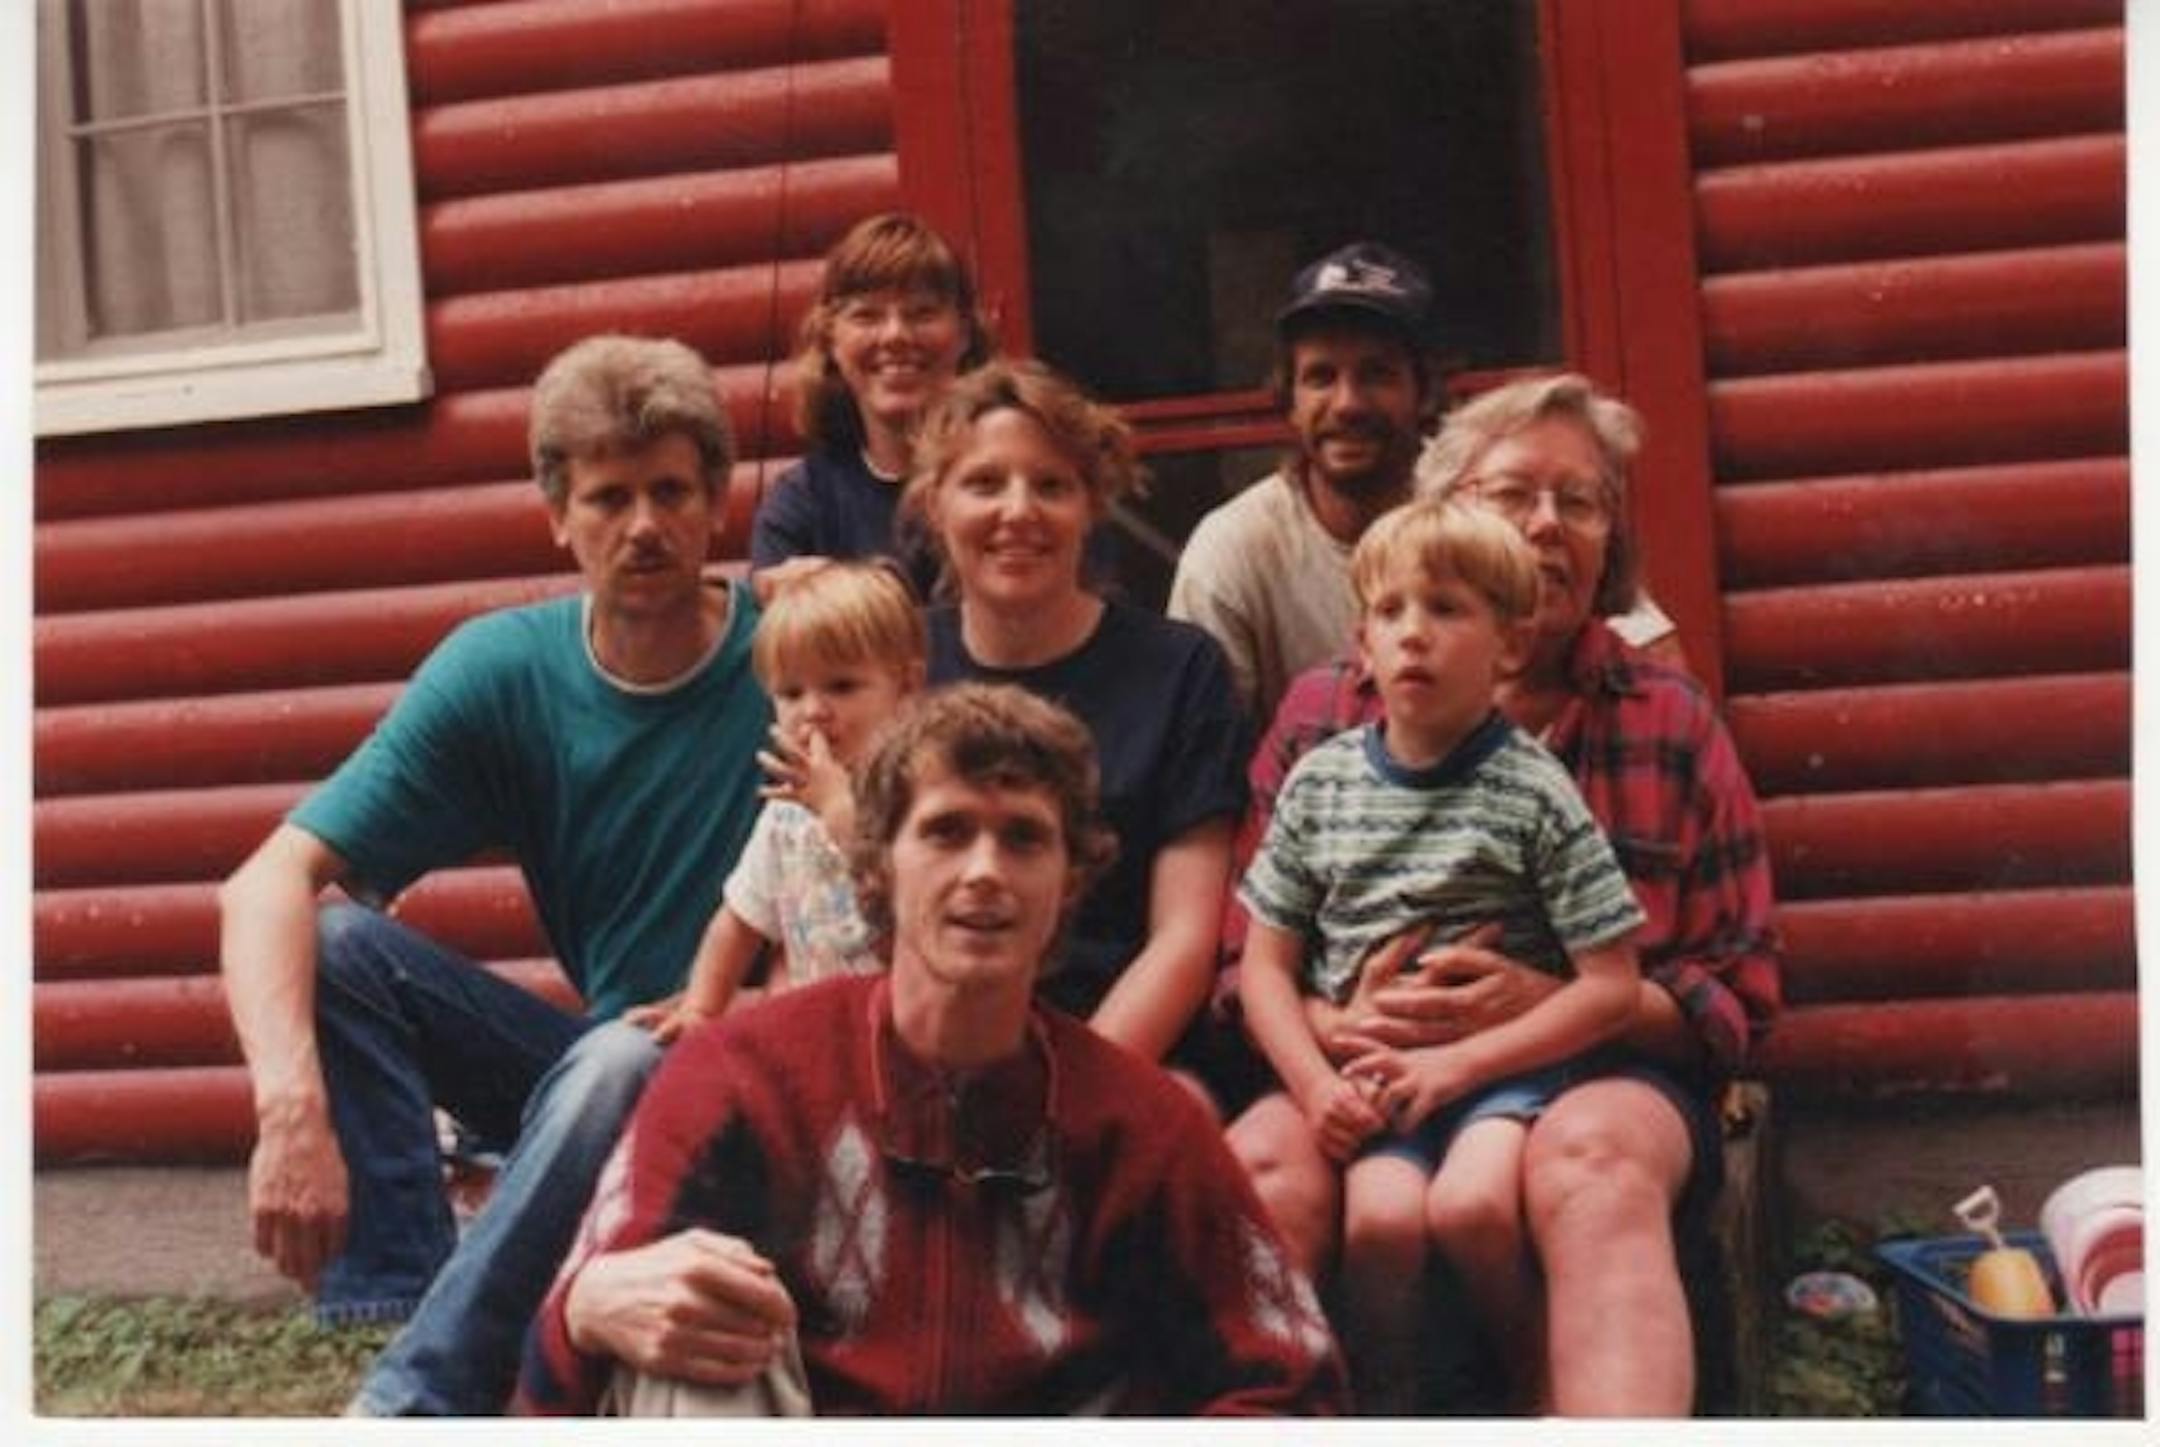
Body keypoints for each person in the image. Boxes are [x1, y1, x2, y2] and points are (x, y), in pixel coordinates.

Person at [514, 684, 1346, 1416]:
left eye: (1023, 839)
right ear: (877, 866)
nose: (985, 871)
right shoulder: (741, 1075)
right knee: (689, 1319)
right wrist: (581, 1309)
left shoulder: (1141, 1126)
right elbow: (569, 1368)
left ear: (1068, 885)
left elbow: (1293, 1379)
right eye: (947, 832)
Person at [218, 334, 772, 1415]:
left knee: (620, 1051)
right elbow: (264, 884)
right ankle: (420, 1298)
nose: (645, 525)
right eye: (610, 497)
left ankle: (416, 1405)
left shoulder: (795, 654)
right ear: (558, 516)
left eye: (671, 490)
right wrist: (291, 1114)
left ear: (719, 499)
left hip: (765, 1081)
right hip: (602, 1077)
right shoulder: (505, 670)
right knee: (341, 949)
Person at [1224, 373, 1780, 1416]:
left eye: (1580, 501)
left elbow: (1737, 994)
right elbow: (1243, 962)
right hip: (1352, 1063)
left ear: (1610, 539)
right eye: (1511, 492)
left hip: (1593, 1074)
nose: (1544, 524)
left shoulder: (1664, 718)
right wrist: (1331, 1029)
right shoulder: (1323, 720)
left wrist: (1538, 1005)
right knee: (1261, 1166)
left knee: (1594, 1167)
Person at [1236, 498, 1646, 1413]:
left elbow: (1614, 986)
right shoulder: (1322, 783)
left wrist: (1460, 1064)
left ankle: (1529, 1371)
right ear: (1362, 643)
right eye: (1392, 611)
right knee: (1381, 1221)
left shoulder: (1533, 789)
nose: (1414, 634)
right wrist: (1314, 1085)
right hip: (1369, 1074)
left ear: (1508, 643)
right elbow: (1264, 966)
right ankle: (1389, 1401)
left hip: (1499, 1074)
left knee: (1470, 1207)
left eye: (1448, 609)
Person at [904, 359, 1249, 1087]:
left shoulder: (1181, 671)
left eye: (1052, 484)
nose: (1019, 510)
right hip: (930, 1054)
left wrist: (1068, 1100)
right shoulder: (896, 666)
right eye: (984, 483)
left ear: (1092, 504)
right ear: (936, 504)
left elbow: (1183, 937)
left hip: (1128, 1055)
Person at [1168, 242, 1678, 728]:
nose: (1347, 404)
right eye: (1321, 377)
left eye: (1377, 375)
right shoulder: (1235, 548)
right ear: (1289, 398)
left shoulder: (1485, 504)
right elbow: (1201, 759)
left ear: (1425, 390)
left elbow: (1652, 654)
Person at [640, 559, 926, 1043]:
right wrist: (702, 1006)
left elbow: (916, 900)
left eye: (842, 686)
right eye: (791, 692)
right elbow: (738, 919)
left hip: (906, 1035)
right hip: (818, 1039)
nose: (813, 711)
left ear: (907, 687)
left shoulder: (923, 792)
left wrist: (840, 811)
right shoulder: (787, 810)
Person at [747, 211, 987, 597]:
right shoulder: (802, 502)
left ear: (964, 333)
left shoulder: (1012, 480)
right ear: (830, 340)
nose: (895, 335)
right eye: (867, 315)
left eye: (922, 312)